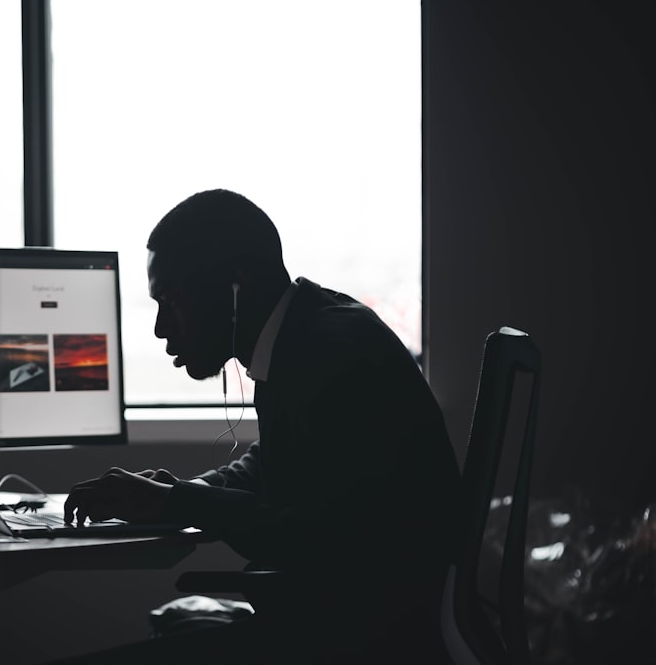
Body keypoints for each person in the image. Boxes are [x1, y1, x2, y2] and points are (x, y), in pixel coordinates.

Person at [60, 189, 461, 663]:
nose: (161, 327)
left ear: (235, 284)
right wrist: (178, 491)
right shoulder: (313, 331)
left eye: (170, 298)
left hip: (356, 642)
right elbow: (277, 462)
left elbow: (323, 538)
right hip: (349, 626)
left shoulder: (328, 357)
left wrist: (181, 501)